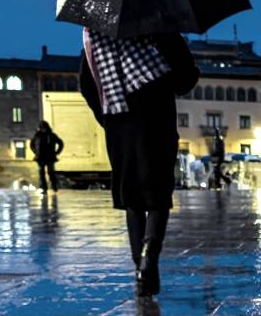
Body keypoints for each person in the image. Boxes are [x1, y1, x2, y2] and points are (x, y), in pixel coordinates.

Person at [79, 28, 198, 298]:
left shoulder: (96, 38)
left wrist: (107, 118)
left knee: (132, 197)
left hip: (119, 124)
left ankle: (139, 268)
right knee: (158, 194)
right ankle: (149, 255)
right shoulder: (159, 29)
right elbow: (185, 77)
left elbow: (87, 86)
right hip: (157, 118)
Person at [30, 121, 64, 193]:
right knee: (41, 173)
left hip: (50, 157)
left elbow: (60, 143)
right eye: (42, 128)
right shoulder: (37, 135)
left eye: (44, 128)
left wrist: (57, 152)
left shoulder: (51, 135)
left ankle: (54, 186)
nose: (43, 129)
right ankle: (44, 188)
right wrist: (36, 152)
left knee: (51, 172)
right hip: (40, 157)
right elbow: (31, 144)